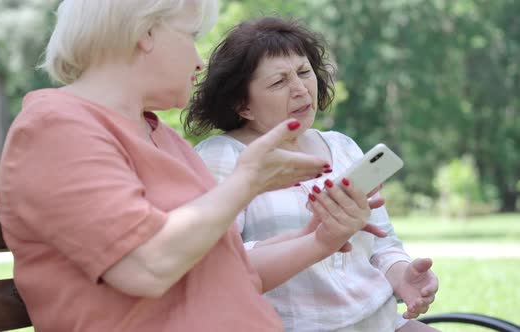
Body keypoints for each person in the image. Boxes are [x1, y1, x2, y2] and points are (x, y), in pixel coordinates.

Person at [0, 2, 388, 331]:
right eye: (191, 36)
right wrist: (247, 182)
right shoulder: (57, 126)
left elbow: (236, 271)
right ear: (146, 32)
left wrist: (322, 239)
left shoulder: (164, 141)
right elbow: (145, 267)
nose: (200, 61)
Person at [187, 17, 440, 332]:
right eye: (279, 82)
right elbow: (221, 264)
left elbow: (382, 243)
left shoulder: (341, 146)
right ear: (243, 105)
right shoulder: (222, 157)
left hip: (384, 323)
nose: (300, 89)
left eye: (304, 72)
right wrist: (314, 239)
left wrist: (404, 276)